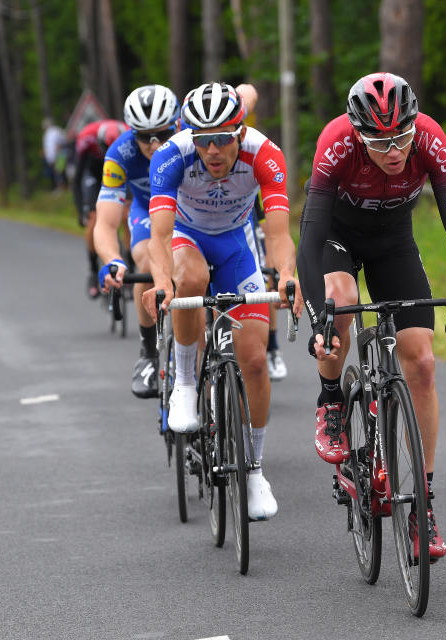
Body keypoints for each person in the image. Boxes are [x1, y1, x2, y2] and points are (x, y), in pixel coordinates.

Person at [296, 72, 446, 560]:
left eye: (402, 136)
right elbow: (310, 241)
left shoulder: (430, 139)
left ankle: (422, 503)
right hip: (336, 238)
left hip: (393, 242)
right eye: (380, 140)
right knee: (340, 295)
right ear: (359, 134)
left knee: (422, 361)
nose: (395, 149)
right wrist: (319, 317)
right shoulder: (336, 143)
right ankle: (332, 398)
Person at [142, 82, 299, 521]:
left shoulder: (264, 154)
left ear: (240, 132)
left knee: (253, 360)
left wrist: (286, 275)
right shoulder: (171, 156)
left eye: (222, 139)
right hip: (186, 238)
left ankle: (253, 471)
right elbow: (157, 236)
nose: (212, 151)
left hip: (236, 246)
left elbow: (280, 233)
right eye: (203, 140)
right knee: (190, 277)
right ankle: (187, 385)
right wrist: (161, 284)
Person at [94, 84, 180, 398]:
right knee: (146, 260)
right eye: (145, 136)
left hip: (189, 209)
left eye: (162, 134)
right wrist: (113, 260)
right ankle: (147, 352)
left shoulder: (192, 137)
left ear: (178, 123)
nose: (154, 144)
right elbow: (105, 222)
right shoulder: (120, 153)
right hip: (146, 210)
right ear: (133, 133)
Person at [73, 118, 129, 298]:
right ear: (98, 143)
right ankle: (92, 271)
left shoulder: (130, 134)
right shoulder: (85, 139)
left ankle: (131, 264)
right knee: (94, 219)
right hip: (94, 175)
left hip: (120, 170)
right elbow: (77, 177)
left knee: (129, 215)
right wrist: (80, 210)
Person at [251, 198, 289, 381]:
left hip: (249, 237)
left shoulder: (245, 189)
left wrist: (273, 272)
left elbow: (267, 234)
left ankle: (272, 348)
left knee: (266, 285)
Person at [41, 118, 67, 191]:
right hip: (53, 156)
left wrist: (58, 149)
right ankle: (61, 187)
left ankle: (62, 187)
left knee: (59, 171)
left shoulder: (56, 131)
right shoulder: (47, 134)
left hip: (60, 154)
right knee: (57, 172)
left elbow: (63, 140)